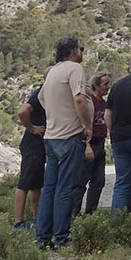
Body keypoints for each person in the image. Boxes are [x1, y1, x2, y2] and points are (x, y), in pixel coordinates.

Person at [35, 38, 92, 249]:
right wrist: (86, 125)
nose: (82, 52)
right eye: (81, 48)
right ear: (74, 51)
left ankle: (42, 237)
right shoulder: (75, 68)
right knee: (66, 188)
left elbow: (41, 98)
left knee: (49, 187)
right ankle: (61, 237)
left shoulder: (52, 72)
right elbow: (79, 99)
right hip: (69, 136)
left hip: (51, 137)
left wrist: (55, 113)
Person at [105, 55, 131, 216]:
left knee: (122, 182)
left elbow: (108, 114)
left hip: (118, 138)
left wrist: (112, 132)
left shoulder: (117, 86)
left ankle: (118, 221)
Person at [73, 72, 110, 216]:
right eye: (105, 84)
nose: (108, 87)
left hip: (100, 143)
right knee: (81, 181)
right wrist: (87, 146)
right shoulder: (90, 103)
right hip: (89, 143)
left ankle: (91, 214)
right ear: (96, 86)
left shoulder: (105, 104)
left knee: (98, 181)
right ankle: (74, 215)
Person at [13, 82, 46, 230]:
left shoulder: (46, 93)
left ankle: (36, 220)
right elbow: (22, 111)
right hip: (32, 145)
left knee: (36, 185)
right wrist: (32, 128)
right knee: (25, 183)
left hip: (39, 146)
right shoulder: (40, 94)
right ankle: (18, 222)